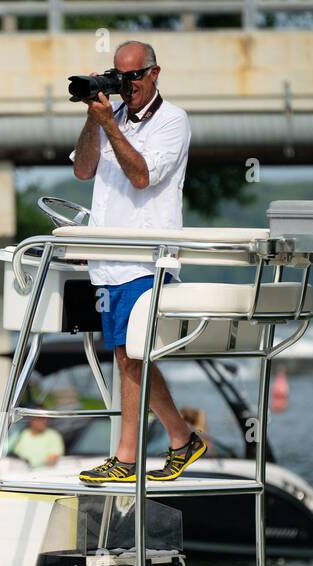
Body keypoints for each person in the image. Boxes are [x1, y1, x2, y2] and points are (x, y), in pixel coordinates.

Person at [70, 40, 204, 484]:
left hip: (147, 260)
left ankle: (127, 458)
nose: (125, 86)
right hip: (109, 263)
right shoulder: (113, 118)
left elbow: (143, 176)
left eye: (133, 77)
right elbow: (84, 170)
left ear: (154, 73)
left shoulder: (173, 120)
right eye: (118, 76)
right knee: (127, 357)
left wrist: (111, 125)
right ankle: (182, 439)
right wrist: (95, 120)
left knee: (131, 355)